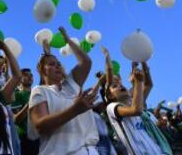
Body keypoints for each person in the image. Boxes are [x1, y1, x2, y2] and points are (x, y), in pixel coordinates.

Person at [28, 27, 99, 155]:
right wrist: (75, 109)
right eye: (51, 64)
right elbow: (40, 126)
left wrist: (68, 41)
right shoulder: (40, 91)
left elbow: (86, 62)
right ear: (42, 70)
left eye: (58, 63)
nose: (57, 66)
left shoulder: (71, 85)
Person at [101, 47, 165, 154]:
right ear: (110, 96)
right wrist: (138, 82)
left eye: (120, 84)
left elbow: (148, 84)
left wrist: (143, 61)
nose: (120, 85)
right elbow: (136, 110)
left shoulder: (134, 100)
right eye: (114, 86)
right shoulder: (112, 108)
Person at [12, 68, 39, 155]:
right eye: (25, 75)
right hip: (25, 138)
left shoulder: (38, 93)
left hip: (42, 137)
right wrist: (29, 104)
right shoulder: (16, 95)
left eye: (31, 75)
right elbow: (16, 120)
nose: (29, 77)